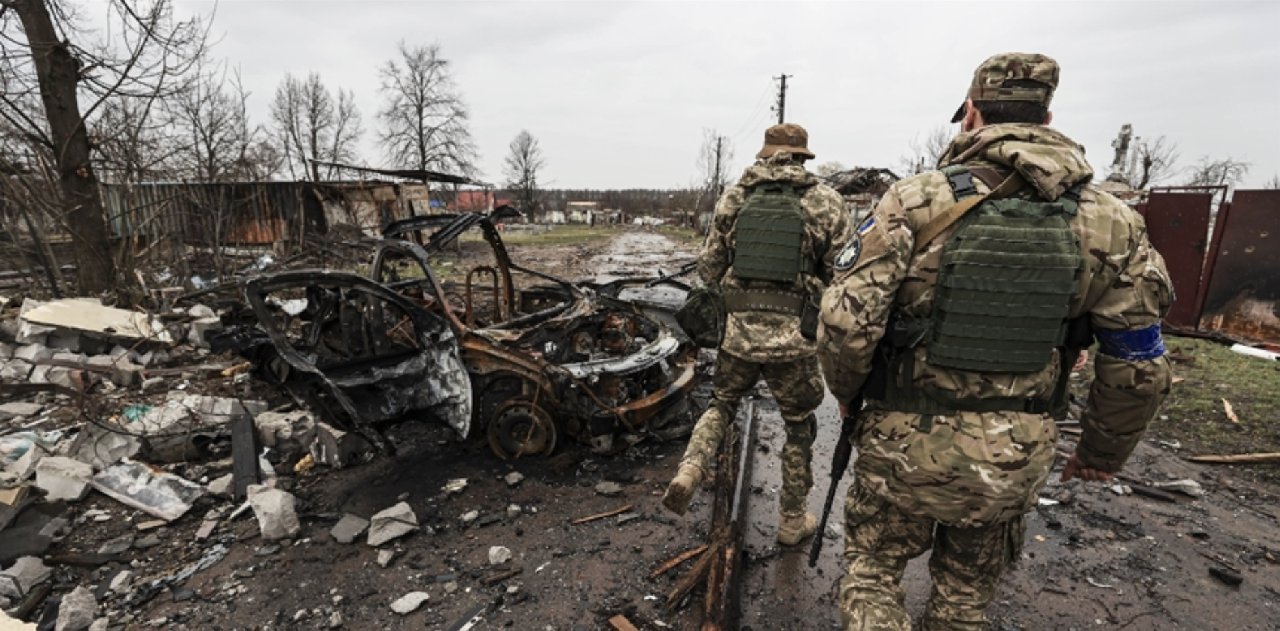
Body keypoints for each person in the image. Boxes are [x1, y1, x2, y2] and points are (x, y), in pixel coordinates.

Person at [817, 53, 1173, 630]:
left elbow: (845, 323)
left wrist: (848, 393)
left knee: (874, 574)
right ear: (1048, 116)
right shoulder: (1112, 220)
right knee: (962, 601)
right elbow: (1138, 362)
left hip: (899, 449)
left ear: (972, 115)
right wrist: (1102, 454)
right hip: (1014, 456)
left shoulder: (914, 200)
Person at [662, 123, 853, 546]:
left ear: (764, 155)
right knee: (799, 424)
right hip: (796, 343)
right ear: (804, 158)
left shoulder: (735, 197)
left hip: (738, 337)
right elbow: (844, 275)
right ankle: (790, 520)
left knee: (721, 404)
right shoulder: (825, 201)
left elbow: (708, 269)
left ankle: (690, 469)